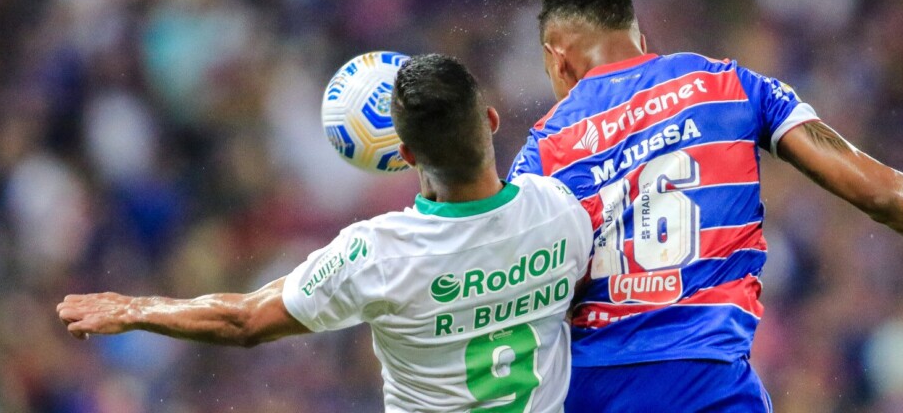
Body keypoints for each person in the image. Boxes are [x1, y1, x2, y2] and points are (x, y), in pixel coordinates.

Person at [508, 0, 903, 412]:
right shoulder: (726, 83)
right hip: (709, 383)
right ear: (638, 35)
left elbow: (499, 268)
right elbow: (872, 188)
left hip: (592, 390)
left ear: (556, 61)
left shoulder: (544, 146)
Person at [59, 54, 594, 412]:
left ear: (402, 154)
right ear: (493, 120)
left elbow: (245, 320)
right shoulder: (560, 213)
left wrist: (135, 309)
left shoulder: (379, 253)